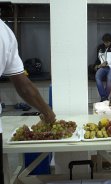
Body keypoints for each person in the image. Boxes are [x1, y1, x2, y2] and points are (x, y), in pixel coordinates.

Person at [0, 19, 56, 183]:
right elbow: (24, 86)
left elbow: (24, 86)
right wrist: (48, 112)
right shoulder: (4, 32)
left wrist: (47, 112)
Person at [95, 33, 111, 102]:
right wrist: (97, 66)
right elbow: (98, 59)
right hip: (103, 67)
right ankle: (104, 97)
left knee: (109, 77)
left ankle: (104, 98)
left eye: (107, 42)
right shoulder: (100, 47)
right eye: (104, 42)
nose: (106, 43)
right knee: (97, 76)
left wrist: (107, 62)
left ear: (110, 41)